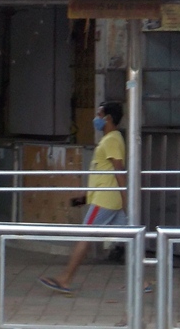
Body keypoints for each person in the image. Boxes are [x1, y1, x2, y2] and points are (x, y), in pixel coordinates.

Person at [39, 102, 127, 295]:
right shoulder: (111, 139)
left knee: (84, 237)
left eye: (99, 114)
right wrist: (85, 198)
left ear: (108, 118)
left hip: (105, 200)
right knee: (131, 237)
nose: (96, 118)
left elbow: (119, 171)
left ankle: (65, 279)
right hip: (109, 199)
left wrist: (126, 199)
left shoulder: (112, 140)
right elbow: (103, 174)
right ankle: (142, 282)